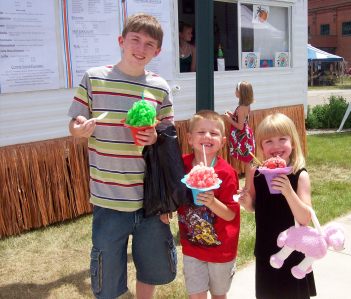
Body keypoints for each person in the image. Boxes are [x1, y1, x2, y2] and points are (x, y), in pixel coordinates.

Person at [67, 14, 176, 299]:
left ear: (157, 51)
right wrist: (79, 131)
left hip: (150, 198)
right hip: (108, 198)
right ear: (121, 41)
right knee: (108, 274)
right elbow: (75, 122)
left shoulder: (159, 87)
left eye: (149, 44)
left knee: (151, 268)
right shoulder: (94, 79)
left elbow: (168, 137)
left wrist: (155, 137)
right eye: (135, 40)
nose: (141, 48)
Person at [239, 113, 317, 299]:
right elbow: (254, 207)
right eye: (268, 141)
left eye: (282, 139)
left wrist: (288, 192)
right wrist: (246, 201)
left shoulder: (300, 175)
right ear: (261, 146)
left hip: (294, 249)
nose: (276, 146)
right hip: (266, 248)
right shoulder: (256, 173)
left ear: (293, 143)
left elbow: (305, 218)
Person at [178, 110, 240, 299]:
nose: (207, 136)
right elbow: (172, 193)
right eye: (201, 132)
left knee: (219, 295)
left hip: (221, 249)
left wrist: (212, 202)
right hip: (192, 246)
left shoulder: (227, 173)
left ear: (222, 142)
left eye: (213, 133)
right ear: (189, 138)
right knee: (195, 295)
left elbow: (231, 214)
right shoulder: (181, 165)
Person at [223, 81, 255, 189]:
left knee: (247, 163)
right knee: (248, 162)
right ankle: (247, 186)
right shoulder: (245, 105)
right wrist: (232, 115)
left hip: (241, 138)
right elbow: (242, 119)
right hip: (244, 136)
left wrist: (229, 120)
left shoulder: (241, 108)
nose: (235, 91)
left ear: (241, 93)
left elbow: (240, 126)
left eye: (236, 89)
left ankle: (246, 187)